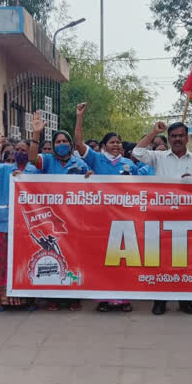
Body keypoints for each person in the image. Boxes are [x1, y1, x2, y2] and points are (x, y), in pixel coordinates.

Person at [134, 120, 192, 316]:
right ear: (169, 139)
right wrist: (153, 132)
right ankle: (160, 300)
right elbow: (137, 153)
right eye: (173, 136)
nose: (177, 139)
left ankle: (185, 300)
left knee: (185, 261)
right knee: (161, 260)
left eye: (181, 135)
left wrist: (190, 185)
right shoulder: (159, 157)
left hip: (186, 217)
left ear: (187, 138)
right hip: (161, 216)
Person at [73, 102, 137, 313]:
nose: (116, 145)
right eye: (112, 142)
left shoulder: (130, 165)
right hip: (100, 219)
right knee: (102, 259)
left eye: (118, 142)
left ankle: (124, 298)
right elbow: (79, 142)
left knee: (124, 259)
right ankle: (103, 299)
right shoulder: (96, 159)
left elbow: (141, 190)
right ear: (103, 145)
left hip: (124, 219)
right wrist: (80, 117)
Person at [29, 110, 90, 311]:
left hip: (73, 219)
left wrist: (91, 177)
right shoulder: (47, 161)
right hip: (51, 219)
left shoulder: (79, 163)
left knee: (74, 256)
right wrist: (36, 134)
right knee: (53, 255)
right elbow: (32, 159)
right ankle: (52, 296)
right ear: (53, 145)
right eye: (57, 142)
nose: (61, 144)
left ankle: (74, 296)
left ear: (71, 145)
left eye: (65, 141)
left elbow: (92, 186)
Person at [0, 136, 35, 310]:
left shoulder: (34, 171)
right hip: (4, 224)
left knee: (25, 261)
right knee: (2, 260)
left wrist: (24, 179)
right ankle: (4, 300)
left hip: (26, 226)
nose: (19, 153)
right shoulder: (4, 169)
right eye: (16, 150)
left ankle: (27, 300)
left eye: (23, 150)